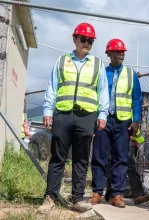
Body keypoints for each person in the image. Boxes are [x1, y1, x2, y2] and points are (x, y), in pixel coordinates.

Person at [38, 22, 109, 213]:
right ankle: (50, 197)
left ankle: (77, 198)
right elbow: (53, 86)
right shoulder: (61, 61)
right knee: (58, 157)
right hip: (62, 113)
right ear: (74, 39)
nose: (86, 43)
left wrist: (103, 114)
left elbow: (103, 91)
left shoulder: (98, 64)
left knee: (81, 159)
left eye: (90, 41)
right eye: (83, 39)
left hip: (86, 116)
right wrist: (47, 110)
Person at [91, 38, 142, 208]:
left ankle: (117, 194)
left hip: (123, 121)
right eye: (117, 51)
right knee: (100, 155)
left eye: (123, 52)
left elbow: (136, 98)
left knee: (121, 158)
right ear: (109, 53)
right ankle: (97, 191)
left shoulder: (131, 74)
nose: (121, 54)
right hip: (104, 119)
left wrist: (136, 120)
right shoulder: (102, 72)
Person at [104, 129, 149, 205]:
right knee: (111, 165)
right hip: (111, 137)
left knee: (130, 166)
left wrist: (135, 140)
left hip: (127, 138)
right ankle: (111, 194)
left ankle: (138, 195)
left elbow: (137, 132)